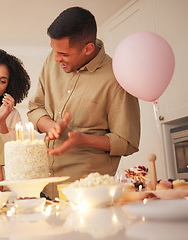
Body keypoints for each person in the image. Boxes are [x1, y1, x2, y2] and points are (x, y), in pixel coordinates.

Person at [27, 7, 141, 199]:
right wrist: (51, 126)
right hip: (44, 187)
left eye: (63, 53)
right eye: (53, 50)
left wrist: (83, 139)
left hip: (87, 193)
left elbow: (127, 142)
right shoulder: (53, 60)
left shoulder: (117, 76)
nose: (56, 58)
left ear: (87, 48)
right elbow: (35, 108)